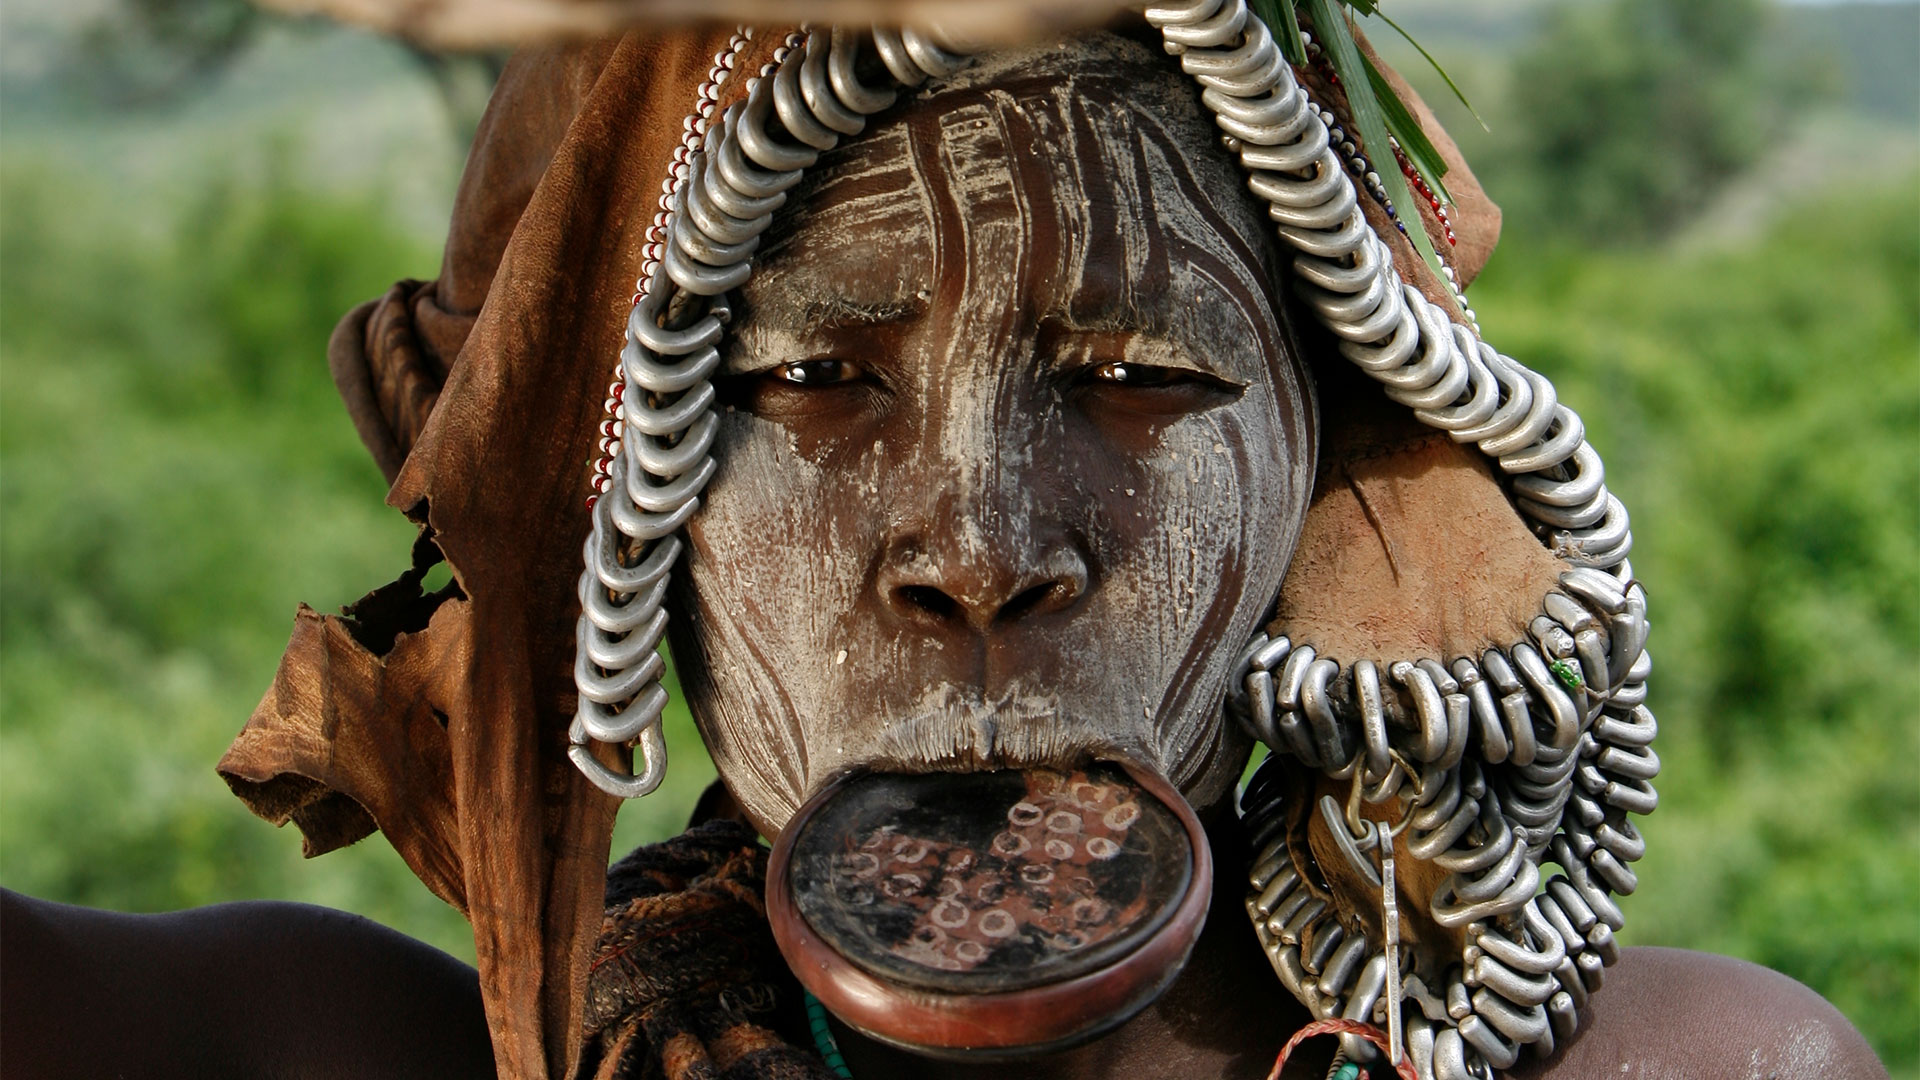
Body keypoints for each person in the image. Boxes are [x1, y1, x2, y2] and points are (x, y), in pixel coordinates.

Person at [0, 9, 1889, 1080]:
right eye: (817, 382)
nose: (979, 545)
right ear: (616, 510)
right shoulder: (309, 1059)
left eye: (1137, 375)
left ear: (1336, 460)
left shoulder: (1693, 1072)